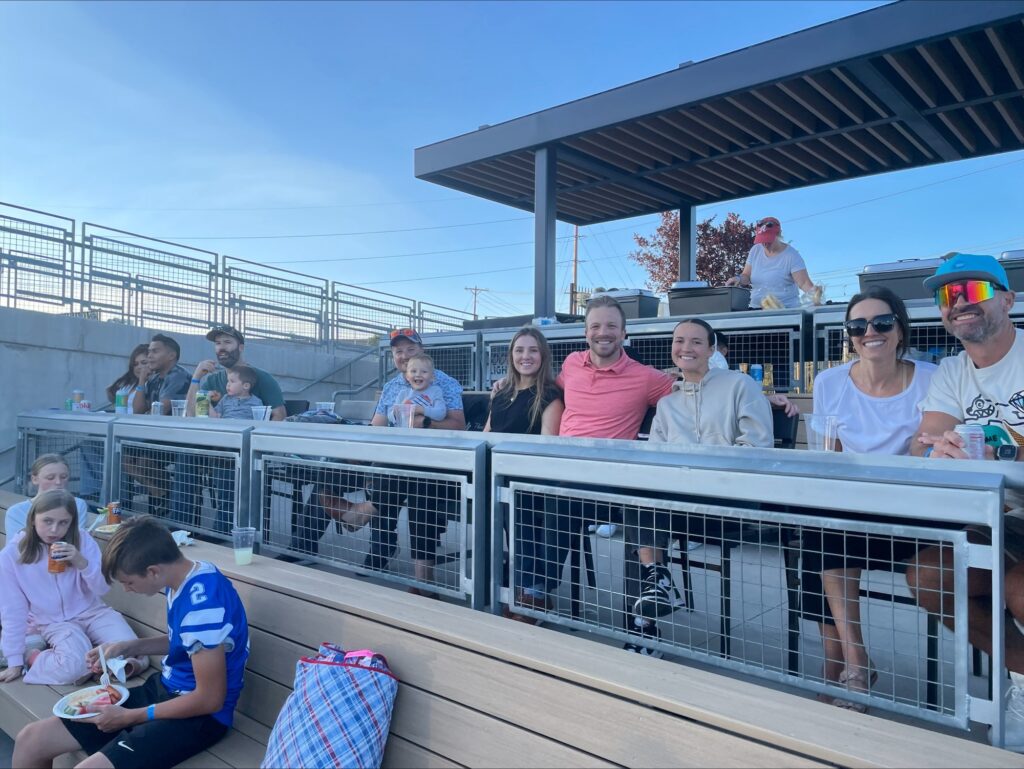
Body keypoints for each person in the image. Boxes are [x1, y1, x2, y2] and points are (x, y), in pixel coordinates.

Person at [12, 515, 250, 769]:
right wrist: (128, 647)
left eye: (128, 582)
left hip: (200, 717)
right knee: (31, 740)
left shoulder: (204, 607)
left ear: (152, 571)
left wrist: (130, 717)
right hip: (166, 691)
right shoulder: (187, 575)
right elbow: (186, 642)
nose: (127, 589)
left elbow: (210, 698)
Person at [904, 253, 1024, 750]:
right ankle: (1022, 681)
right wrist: (939, 446)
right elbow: (923, 441)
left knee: (1020, 588)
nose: (958, 305)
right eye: (946, 297)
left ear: (1008, 300)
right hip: (995, 515)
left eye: (971, 292)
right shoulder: (951, 370)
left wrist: (1003, 449)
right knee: (928, 578)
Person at [797, 286, 936, 712]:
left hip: (914, 511)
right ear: (849, 335)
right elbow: (829, 456)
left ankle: (841, 666)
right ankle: (852, 661)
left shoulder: (932, 378)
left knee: (821, 538)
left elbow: (930, 455)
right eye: (858, 325)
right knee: (818, 530)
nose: (869, 332)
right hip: (852, 508)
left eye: (881, 323)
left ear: (899, 330)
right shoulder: (829, 382)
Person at [527, 296, 677, 623]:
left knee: (638, 500)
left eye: (611, 326)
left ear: (624, 333)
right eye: (595, 326)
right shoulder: (571, 365)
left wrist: (770, 398)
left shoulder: (646, 377)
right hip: (564, 474)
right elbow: (544, 387)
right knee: (523, 494)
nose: (603, 332)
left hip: (611, 483)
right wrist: (506, 383)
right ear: (586, 332)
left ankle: (642, 621)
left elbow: (692, 390)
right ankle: (534, 593)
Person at [627, 318, 773, 649]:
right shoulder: (667, 404)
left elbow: (757, 448)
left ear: (712, 349)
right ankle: (650, 608)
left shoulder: (740, 385)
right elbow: (655, 461)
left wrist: (703, 479)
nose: (686, 348)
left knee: (644, 515)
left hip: (729, 503)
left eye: (695, 342)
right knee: (636, 498)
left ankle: (651, 600)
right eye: (679, 341)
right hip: (679, 505)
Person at [0, 490, 144, 685]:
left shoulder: (82, 540)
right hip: (54, 622)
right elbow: (12, 610)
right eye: (47, 521)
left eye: (63, 523)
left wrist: (80, 561)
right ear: (33, 519)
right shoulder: (12, 555)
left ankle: (99, 665)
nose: (54, 530)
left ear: (72, 522)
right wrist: (15, 660)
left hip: (93, 612)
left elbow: (102, 588)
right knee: (73, 668)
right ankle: (35, 657)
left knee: (136, 651)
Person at [359, 328, 466, 589]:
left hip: (433, 460)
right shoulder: (392, 386)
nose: (405, 356)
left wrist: (424, 421)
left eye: (410, 349)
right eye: (398, 352)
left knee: (420, 487)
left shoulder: (444, 383)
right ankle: (303, 544)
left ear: (422, 350)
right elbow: (378, 425)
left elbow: (458, 425)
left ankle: (363, 516)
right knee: (334, 468)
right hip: (396, 456)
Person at [484, 326, 564, 622]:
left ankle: (534, 594)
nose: (525, 356)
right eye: (519, 350)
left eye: (532, 350)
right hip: (496, 475)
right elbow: (488, 434)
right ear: (511, 355)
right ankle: (500, 586)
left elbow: (547, 447)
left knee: (519, 505)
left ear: (543, 355)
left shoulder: (551, 395)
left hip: (531, 478)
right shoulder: (501, 392)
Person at [187, 325, 285, 421]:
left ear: (241, 347)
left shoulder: (262, 377)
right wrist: (196, 378)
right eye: (218, 343)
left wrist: (258, 436)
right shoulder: (213, 380)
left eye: (227, 342)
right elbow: (191, 415)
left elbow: (279, 415)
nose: (222, 348)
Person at [726, 216, 821, 310]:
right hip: (756, 309)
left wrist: (816, 299)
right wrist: (738, 279)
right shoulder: (755, 250)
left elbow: (804, 283)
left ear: (779, 234)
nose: (765, 243)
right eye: (762, 239)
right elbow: (746, 275)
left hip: (784, 310)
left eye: (768, 239)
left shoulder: (791, 256)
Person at [5, 454, 90, 536]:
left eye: (64, 477)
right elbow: (16, 547)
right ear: (34, 479)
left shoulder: (78, 504)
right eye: (50, 478)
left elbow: (77, 540)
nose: (58, 482)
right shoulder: (17, 512)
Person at [131, 334, 191, 416]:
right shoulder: (154, 379)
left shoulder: (179, 376)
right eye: (149, 352)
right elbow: (137, 411)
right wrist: (141, 381)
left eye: (155, 351)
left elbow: (159, 412)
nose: (149, 356)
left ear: (171, 356)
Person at [387, 353, 447, 426]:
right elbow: (390, 417)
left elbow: (441, 414)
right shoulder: (403, 393)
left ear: (432, 377)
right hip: (404, 434)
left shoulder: (435, 391)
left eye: (424, 371)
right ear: (407, 377)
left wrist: (420, 410)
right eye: (413, 371)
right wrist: (397, 411)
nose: (418, 374)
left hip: (426, 435)